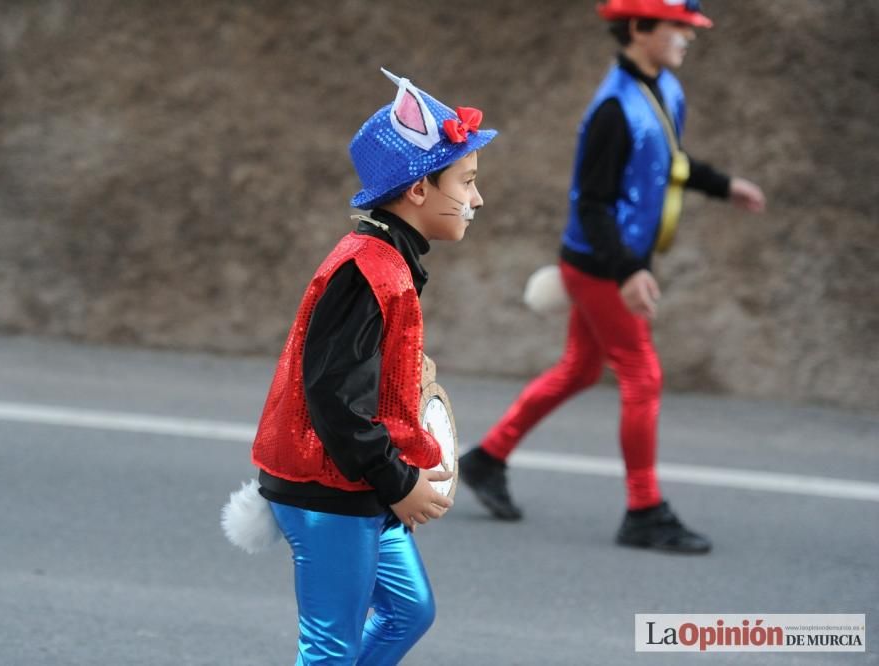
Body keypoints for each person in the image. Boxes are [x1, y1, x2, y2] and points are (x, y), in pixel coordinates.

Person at [458, 0, 765, 555]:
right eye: (678, 28)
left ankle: (485, 459)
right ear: (640, 28)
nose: (687, 39)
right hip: (601, 264)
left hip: (611, 261)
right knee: (642, 376)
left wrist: (723, 184)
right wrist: (626, 271)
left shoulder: (661, 90)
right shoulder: (613, 110)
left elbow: (665, 161)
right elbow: (593, 204)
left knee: (579, 369)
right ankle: (644, 509)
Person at [250, 68, 496, 664]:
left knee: (410, 610)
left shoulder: (390, 260)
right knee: (329, 646)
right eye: (466, 182)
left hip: (355, 477)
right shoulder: (368, 269)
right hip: (327, 483)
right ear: (417, 189)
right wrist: (399, 481)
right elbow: (333, 395)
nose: (477, 199)